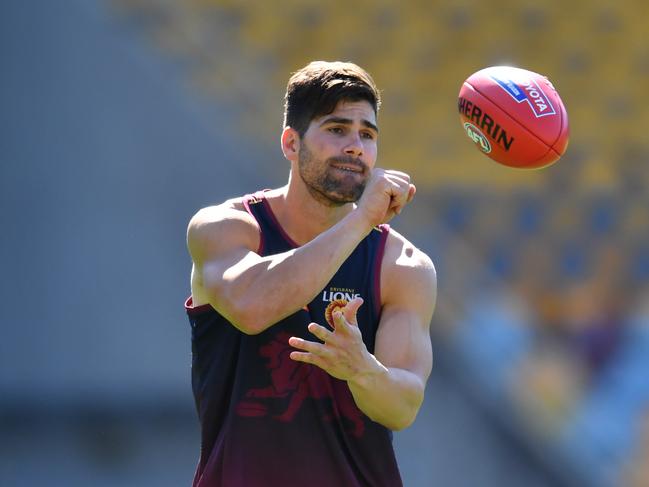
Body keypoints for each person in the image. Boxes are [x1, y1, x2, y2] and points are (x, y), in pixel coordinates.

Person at [185, 60, 436, 487]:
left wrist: (361, 369)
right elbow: (252, 306)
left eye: (367, 135)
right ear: (290, 142)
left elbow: (403, 406)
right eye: (337, 130)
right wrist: (358, 223)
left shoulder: (403, 265)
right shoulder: (226, 228)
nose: (356, 146)